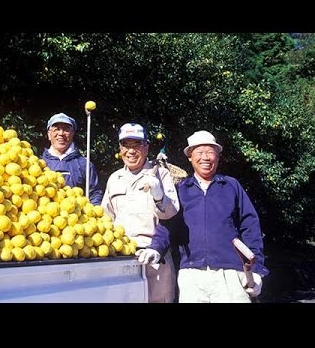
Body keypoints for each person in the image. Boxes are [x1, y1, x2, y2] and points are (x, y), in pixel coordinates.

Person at [170, 130, 269, 303]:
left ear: (218, 156)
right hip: (191, 275)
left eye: (210, 152)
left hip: (230, 274)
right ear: (190, 157)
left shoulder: (231, 186)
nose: (205, 158)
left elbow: (250, 226)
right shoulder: (181, 190)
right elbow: (167, 227)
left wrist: (257, 268)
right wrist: (154, 248)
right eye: (199, 153)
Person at [101, 123, 180, 303]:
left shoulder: (161, 174)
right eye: (125, 145)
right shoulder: (115, 178)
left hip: (155, 258)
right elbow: (106, 218)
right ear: (120, 149)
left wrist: (159, 195)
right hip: (122, 259)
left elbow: (172, 214)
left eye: (136, 144)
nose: (130, 151)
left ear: (146, 147)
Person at [42, 113, 103, 205]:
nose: (61, 133)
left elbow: (95, 194)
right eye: (56, 129)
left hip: (77, 218)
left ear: (72, 133)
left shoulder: (85, 164)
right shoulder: (39, 163)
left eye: (66, 129)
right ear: (49, 134)